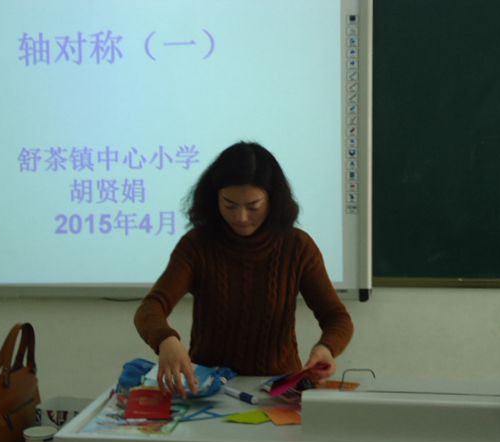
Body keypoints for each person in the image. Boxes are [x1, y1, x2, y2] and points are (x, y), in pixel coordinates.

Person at [134, 141, 353, 398]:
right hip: (210, 389)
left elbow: (337, 318)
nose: (241, 217)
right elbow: (150, 308)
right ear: (214, 198)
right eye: (229, 205)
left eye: (253, 206)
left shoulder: (297, 247)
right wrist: (166, 340)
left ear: (272, 200)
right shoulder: (197, 246)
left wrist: (326, 348)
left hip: (277, 391)